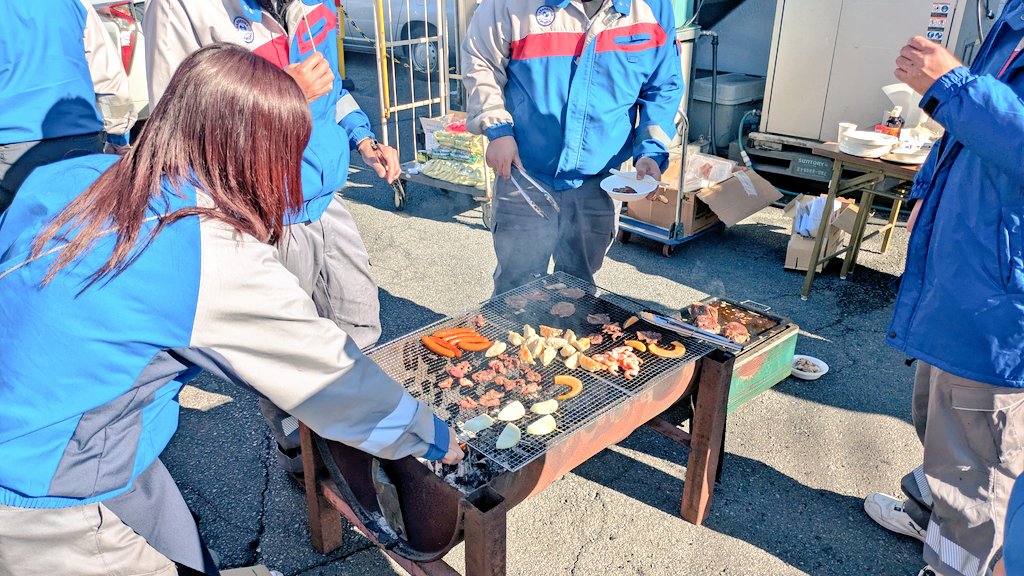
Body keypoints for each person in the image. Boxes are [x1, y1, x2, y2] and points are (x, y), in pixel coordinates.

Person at [0, 44, 462, 576]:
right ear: (254, 153)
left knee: (189, 553)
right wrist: (439, 441)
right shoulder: (204, 255)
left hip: (90, 421)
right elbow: (331, 378)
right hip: (39, 475)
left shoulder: (75, 174)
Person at [144, 0, 401, 473]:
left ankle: (361, 443)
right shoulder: (185, 8)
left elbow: (333, 89)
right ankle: (300, 459)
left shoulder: (314, 5)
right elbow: (176, 125)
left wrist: (362, 138)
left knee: (361, 325)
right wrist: (284, 95)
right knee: (282, 354)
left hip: (326, 200)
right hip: (259, 212)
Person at [863, 4, 1024, 575]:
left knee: (978, 457)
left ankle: (956, 563)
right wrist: (928, 189)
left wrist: (952, 85)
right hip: (965, 271)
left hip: (1002, 299)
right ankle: (928, 509)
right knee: (936, 416)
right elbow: (968, 133)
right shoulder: (1013, 19)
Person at [461, 0, 684, 294]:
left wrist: (651, 151)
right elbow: (481, 61)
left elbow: (663, 85)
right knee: (516, 287)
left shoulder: (652, 7)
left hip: (599, 181)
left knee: (577, 286)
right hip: (526, 173)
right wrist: (498, 129)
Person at [0, 0, 137, 213]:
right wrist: (118, 139)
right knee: (80, 233)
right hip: (81, 142)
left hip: (11, 150)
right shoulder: (76, 4)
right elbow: (110, 81)